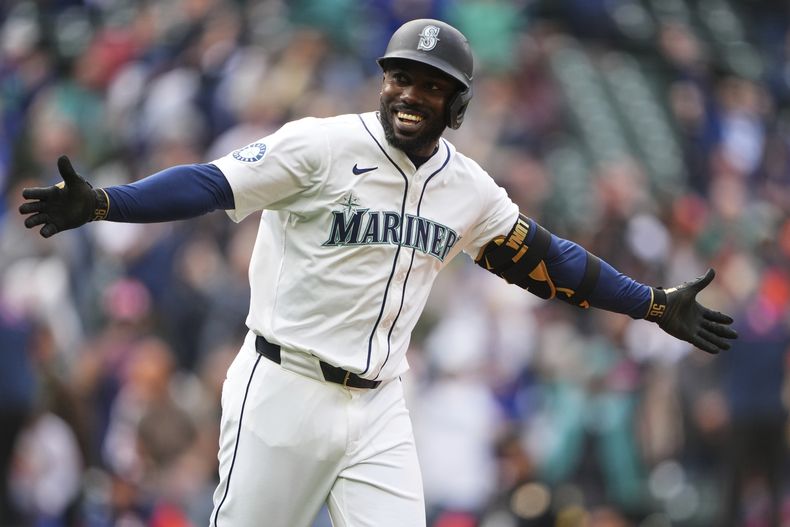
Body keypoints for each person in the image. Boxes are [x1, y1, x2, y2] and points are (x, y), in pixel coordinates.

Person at [18, 18, 737, 527]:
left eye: (431, 84)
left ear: (457, 104)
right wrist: (109, 202)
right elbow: (210, 183)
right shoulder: (322, 146)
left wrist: (649, 303)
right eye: (401, 77)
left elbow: (547, 260)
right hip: (284, 385)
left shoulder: (470, 189)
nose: (410, 94)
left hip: (380, 405)